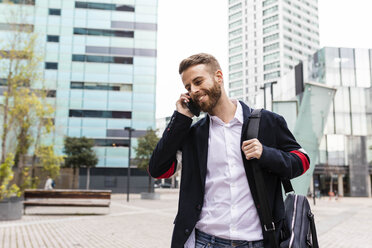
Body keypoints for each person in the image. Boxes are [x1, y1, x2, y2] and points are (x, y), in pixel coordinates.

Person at [149, 53, 310, 248]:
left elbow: (302, 160)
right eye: (188, 87)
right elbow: (159, 170)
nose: (194, 90)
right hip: (204, 241)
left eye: (198, 81)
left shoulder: (268, 121)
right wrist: (180, 119)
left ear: (219, 76)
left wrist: (266, 154)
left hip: (258, 242)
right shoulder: (193, 135)